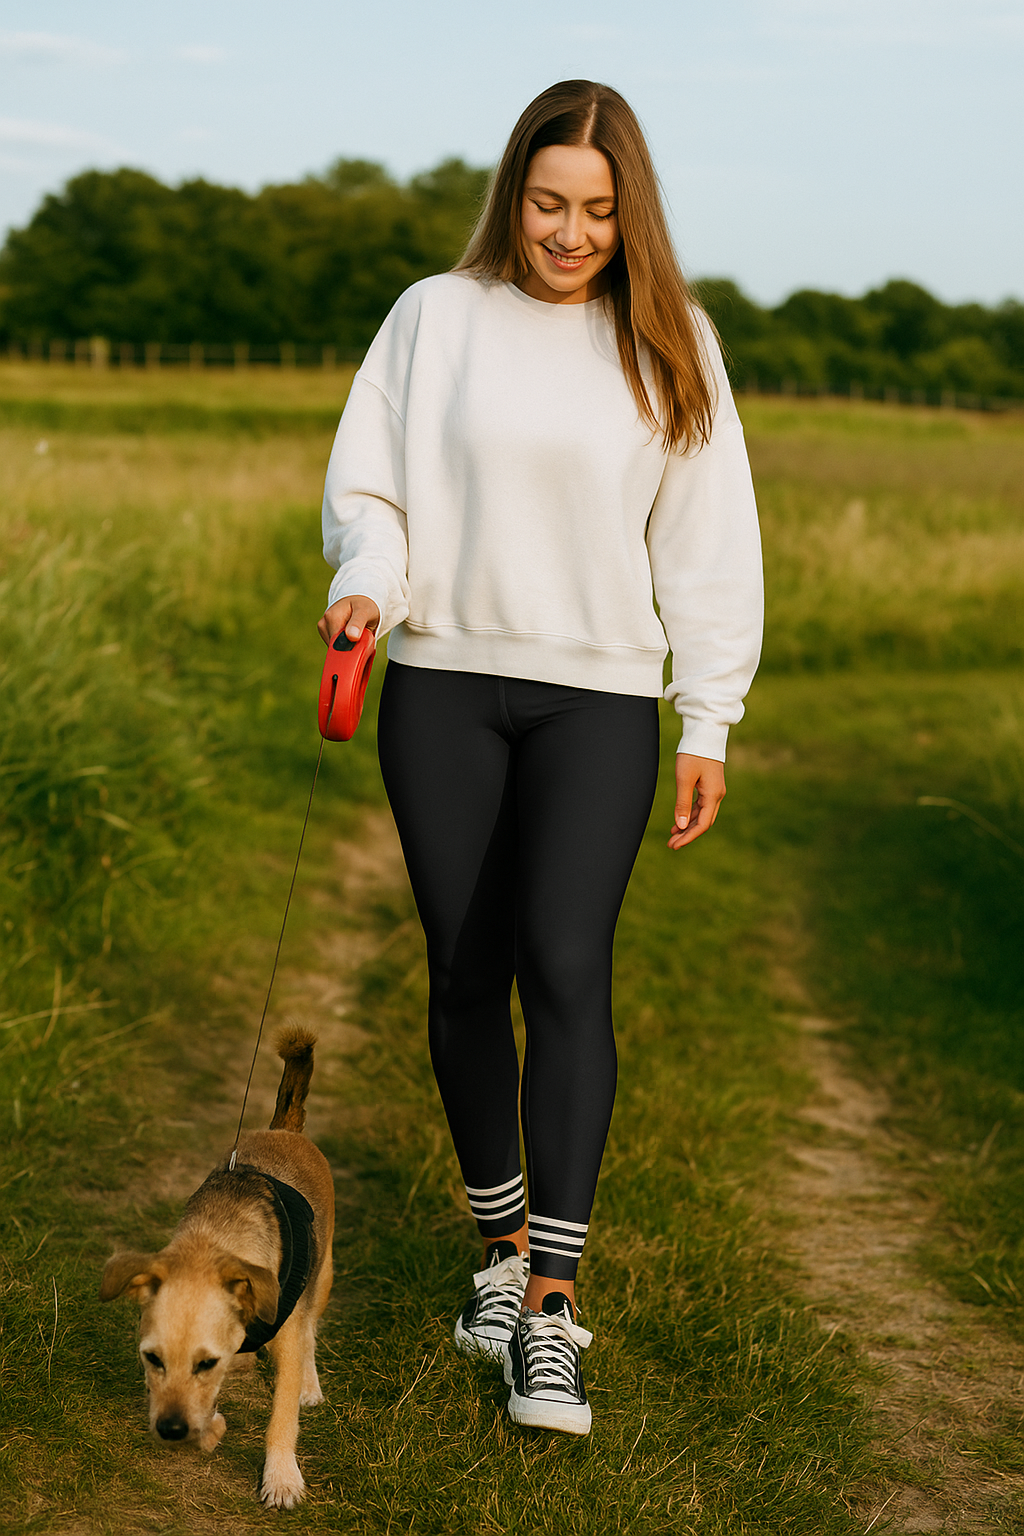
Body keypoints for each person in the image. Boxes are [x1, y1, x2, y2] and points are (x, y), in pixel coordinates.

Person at [318, 79, 762, 1437]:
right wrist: (370, 586)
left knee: (566, 963)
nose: (568, 234)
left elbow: (708, 537)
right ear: (514, 191)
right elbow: (369, 485)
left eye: (597, 212)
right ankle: (498, 1263)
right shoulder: (432, 317)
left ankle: (554, 1309)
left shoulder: (673, 341)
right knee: (465, 969)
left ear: (634, 218)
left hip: (599, 699)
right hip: (441, 681)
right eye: (548, 202)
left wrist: (708, 716)